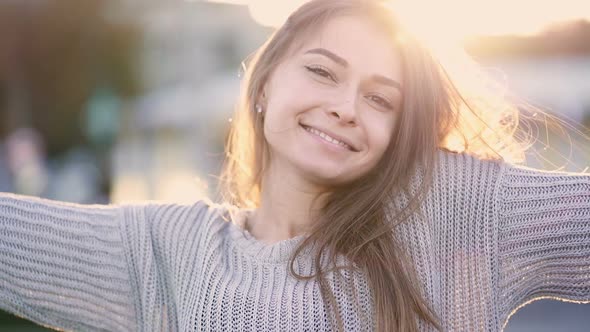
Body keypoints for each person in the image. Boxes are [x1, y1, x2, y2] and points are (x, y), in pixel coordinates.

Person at [1, 0, 589, 331]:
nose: (344, 106)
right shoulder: (168, 249)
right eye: (322, 71)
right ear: (266, 81)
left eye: (380, 99)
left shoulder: (456, 207)